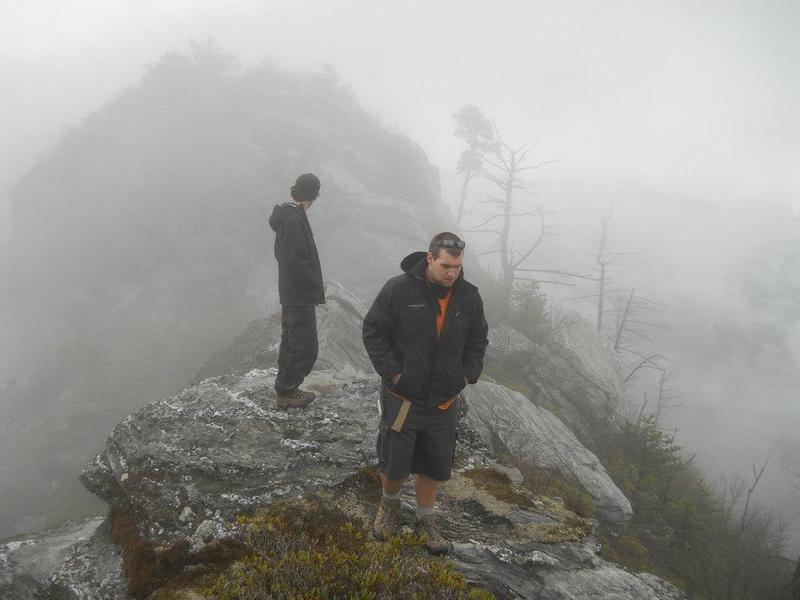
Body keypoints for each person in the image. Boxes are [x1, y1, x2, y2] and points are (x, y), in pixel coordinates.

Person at [362, 232, 489, 554]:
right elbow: (374, 330)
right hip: (404, 395)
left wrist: (466, 374)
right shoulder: (398, 289)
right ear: (430, 258)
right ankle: (389, 508)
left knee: (435, 462)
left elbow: (478, 339)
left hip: (444, 397)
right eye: (446, 265)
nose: (452, 273)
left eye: (458, 267)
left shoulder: (468, 296)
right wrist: (394, 373)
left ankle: (425, 519)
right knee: (395, 459)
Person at [268, 173, 325, 408]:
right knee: (306, 347)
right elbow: (295, 259)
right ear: (311, 196)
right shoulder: (294, 219)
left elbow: (283, 255)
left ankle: (285, 387)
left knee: (291, 342)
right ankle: (287, 391)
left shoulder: (289, 216)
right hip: (299, 294)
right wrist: (313, 283)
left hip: (292, 292)